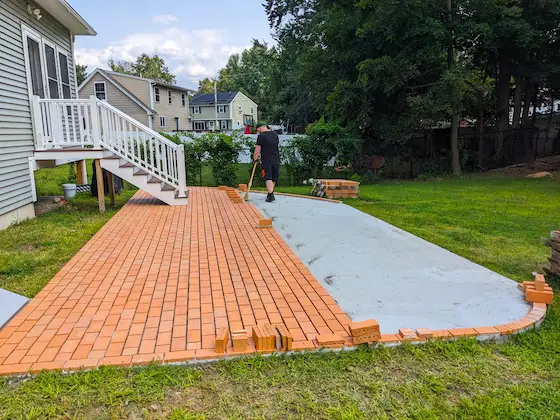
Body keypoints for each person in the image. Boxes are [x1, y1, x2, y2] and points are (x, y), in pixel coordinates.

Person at [253, 122, 280, 202]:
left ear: (260, 128)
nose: (258, 132)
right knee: (274, 177)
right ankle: (270, 193)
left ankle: (271, 195)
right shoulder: (275, 135)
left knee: (268, 177)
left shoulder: (261, 136)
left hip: (266, 160)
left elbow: (257, 151)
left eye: (258, 131)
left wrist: (255, 159)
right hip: (276, 159)